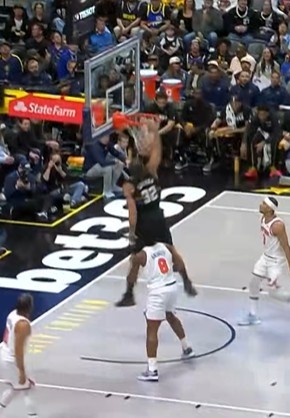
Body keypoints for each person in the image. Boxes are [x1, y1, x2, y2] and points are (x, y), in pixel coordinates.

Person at [115, 118, 176, 307]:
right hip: (158, 217)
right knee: (170, 252)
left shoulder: (129, 185)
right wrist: (155, 132)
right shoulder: (151, 171)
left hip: (143, 223)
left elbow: (132, 214)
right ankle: (177, 282)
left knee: (135, 260)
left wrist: (131, 234)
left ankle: (129, 294)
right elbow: (157, 153)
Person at [127, 241, 198, 381]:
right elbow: (179, 265)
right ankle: (187, 348)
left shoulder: (140, 256)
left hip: (158, 292)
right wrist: (185, 281)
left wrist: (129, 287)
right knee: (170, 316)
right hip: (172, 287)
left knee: (152, 329)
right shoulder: (166, 246)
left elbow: (132, 278)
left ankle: (152, 370)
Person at [239, 197, 290, 326]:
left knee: (273, 292)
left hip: (276, 261)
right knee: (253, 283)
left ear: (270, 209)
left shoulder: (278, 226)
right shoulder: (263, 218)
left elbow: (286, 246)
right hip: (265, 257)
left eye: (264, 204)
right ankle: (253, 315)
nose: (260, 205)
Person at [0, 293, 38, 418]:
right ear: (29, 306)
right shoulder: (23, 325)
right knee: (27, 388)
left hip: (5, 353)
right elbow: (18, 350)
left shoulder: (13, 314)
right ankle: (33, 416)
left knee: (16, 388)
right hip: (12, 359)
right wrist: (22, 371)